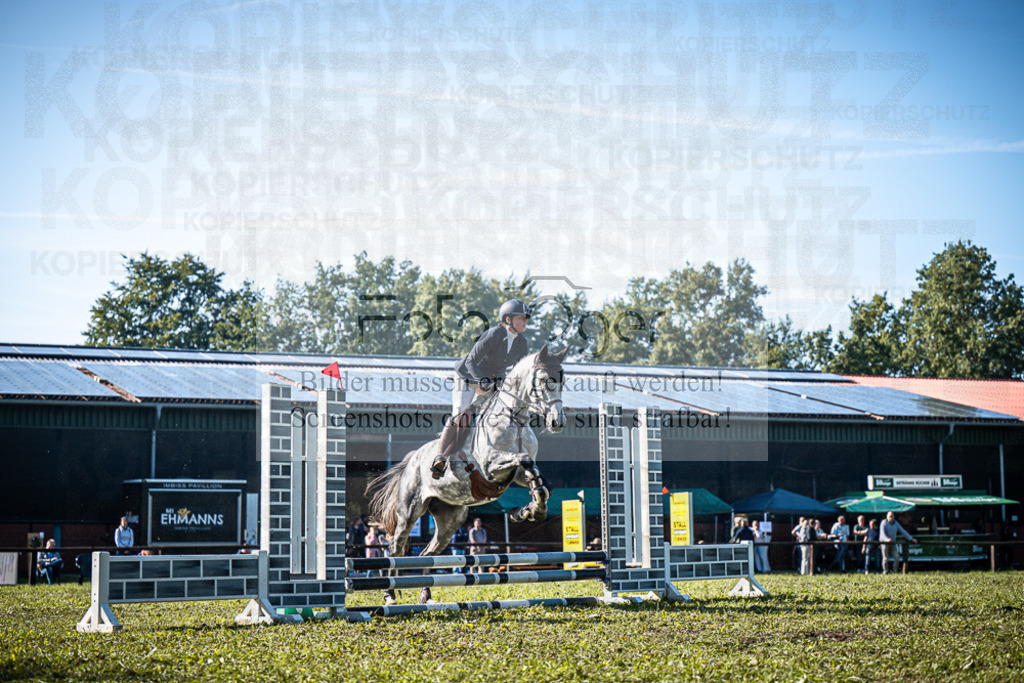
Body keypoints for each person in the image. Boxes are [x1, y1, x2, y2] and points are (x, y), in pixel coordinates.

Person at [431, 299, 531, 479]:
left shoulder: (522, 343)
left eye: (526, 318)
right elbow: (470, 361)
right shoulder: (494, 334)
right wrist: (483, 381)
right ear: (508, 319)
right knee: (460, 414)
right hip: (468, 377)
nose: (525, 322)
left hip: (492, 382)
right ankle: (440, 457)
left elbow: (518, 372)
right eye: (521, 318)